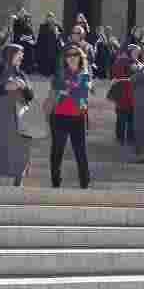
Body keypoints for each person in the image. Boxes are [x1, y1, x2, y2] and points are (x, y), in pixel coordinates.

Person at [0, 43, 34, 186]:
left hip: (19, 118)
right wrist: (5, 88)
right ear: (10, 54)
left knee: (20, 149)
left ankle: (18, 183)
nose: (22, 57)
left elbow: (30, 96)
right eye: (19, 54)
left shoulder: (21, 73)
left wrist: (24, 87)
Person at [44, 45, 91, 189]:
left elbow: (83, 98)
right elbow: (53, 95)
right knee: (57, 151)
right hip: (59, 117)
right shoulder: (59, 75)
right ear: (65, 59)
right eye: (69, 55)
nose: (72, 58)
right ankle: (55, 183)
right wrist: (70, 91)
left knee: (81, 153)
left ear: (80, 57)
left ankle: (85, 185)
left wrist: (68, 90)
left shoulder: (85, 75)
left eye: (75, 55)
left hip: (78, 118)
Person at [110, 43, 140, 145]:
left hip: (131, 95)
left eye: (138, 53)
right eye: (135, 53)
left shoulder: (133, 62)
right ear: (130, 52)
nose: (137, 55)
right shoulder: (123, 61)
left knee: (129, 118)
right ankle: (122, 138)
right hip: (124, 94)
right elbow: (117, 77)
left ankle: (127, 137)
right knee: (123, 117)